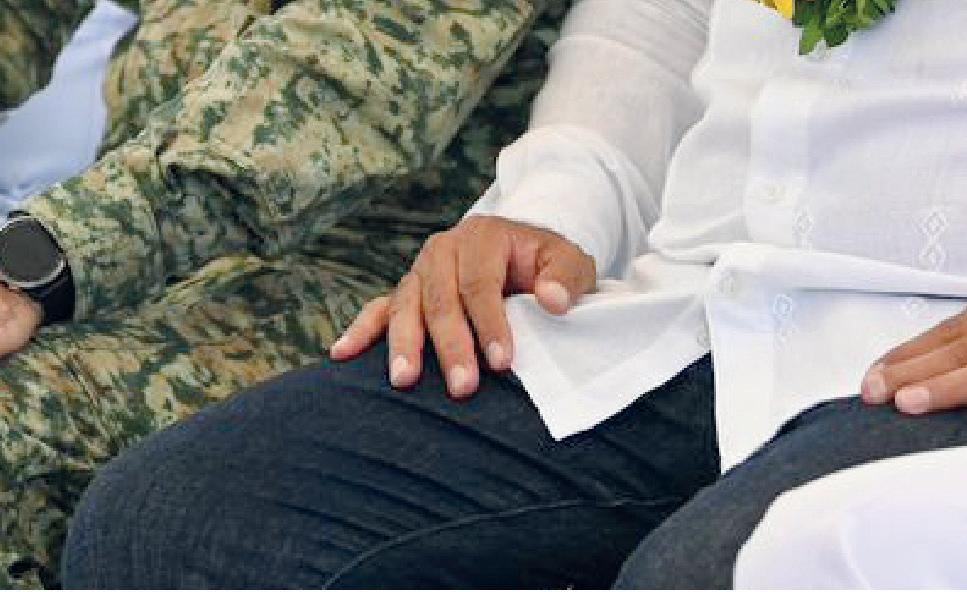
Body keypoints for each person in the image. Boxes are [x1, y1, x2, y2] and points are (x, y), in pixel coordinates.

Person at [56, 0, 967, 588]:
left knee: (706, 577)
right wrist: (548, 209)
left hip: (924, 345)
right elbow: (651, 27)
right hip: (688, 306)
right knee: (177, 523)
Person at [0, 0, 575, 587]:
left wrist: (39, 260)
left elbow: (325, 91)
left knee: (16, 417)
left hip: (378, 292)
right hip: (131, 261)